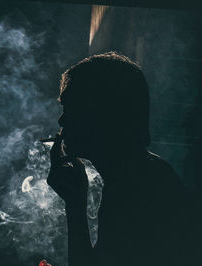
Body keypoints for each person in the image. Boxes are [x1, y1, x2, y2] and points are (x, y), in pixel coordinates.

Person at [47, 52, 200, 266]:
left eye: (70, 107)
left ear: (100, 112)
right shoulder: (139, 174)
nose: (61, 120)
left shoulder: (139, 187)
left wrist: (74, 204)